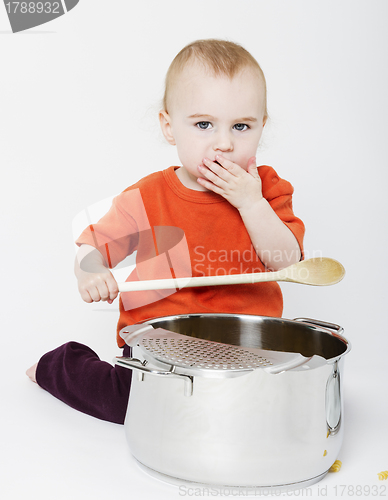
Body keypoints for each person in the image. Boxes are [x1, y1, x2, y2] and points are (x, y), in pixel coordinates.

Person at [26, 39, 305, 424]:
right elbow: (93, 245)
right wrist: (89, 270)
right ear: (169, 127)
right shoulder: (149, 197)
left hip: (245, 353)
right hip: (160, 353)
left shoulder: (268, 190)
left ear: (261, 128)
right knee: (130, 407)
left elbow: (287, 261)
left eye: (241, 126)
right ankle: (60, 366)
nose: (224, 143)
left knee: (265, 415)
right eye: (204, 125)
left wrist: (251, 204)